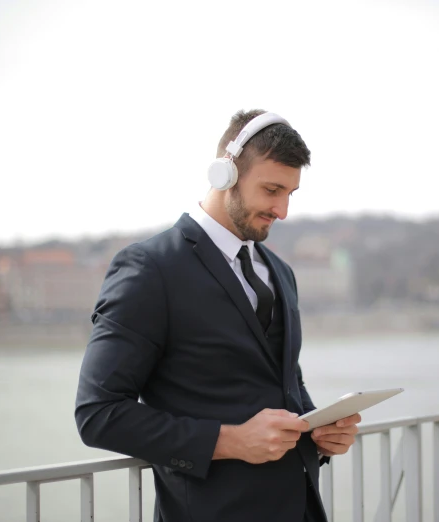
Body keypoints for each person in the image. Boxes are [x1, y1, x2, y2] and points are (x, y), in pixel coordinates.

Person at [74, 109, 361, 522]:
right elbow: (97, 414)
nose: (282, 210)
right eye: (271, 189)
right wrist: (229, 441)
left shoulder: (281, 272)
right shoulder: (150, 269)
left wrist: (318, 432)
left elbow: (284, 384)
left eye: (290, 194)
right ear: (223, 174)